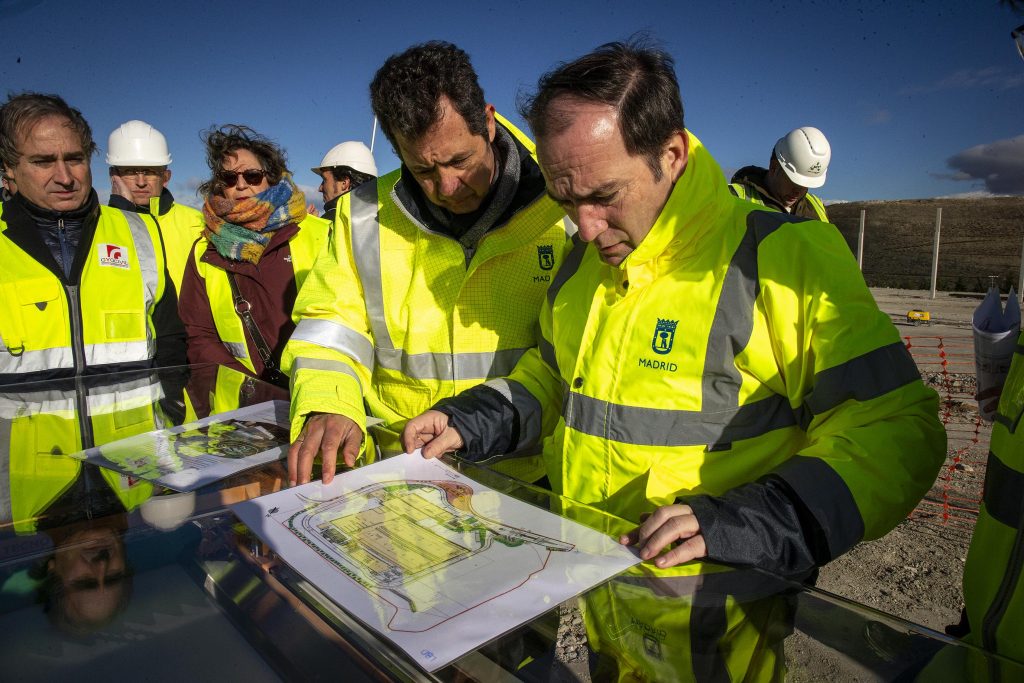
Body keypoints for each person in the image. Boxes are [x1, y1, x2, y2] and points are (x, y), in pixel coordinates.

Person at [402, 42, 946, 579]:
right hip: (603, 589)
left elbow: (897, 429)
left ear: (672, 155)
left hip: (718, 615)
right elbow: (550, 379)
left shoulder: (781, 259)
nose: (586, 227)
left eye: (605, 195)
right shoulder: (581, 265)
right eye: (566, 201)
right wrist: (471, 420)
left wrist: (752, 522)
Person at [283, 41, 574, 485]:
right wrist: (330, 403)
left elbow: (570, 359)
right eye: (423, 170)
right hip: (399, 472)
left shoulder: (566, 206)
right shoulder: (360, 215)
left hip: (527, 477)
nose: (449, 186)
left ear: (489, 123)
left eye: (460, 160)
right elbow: (329, 328)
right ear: (398, 152)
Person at [0, 92, 185, 385]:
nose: (64, 176)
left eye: (75, 159)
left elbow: (170, 341)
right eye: (43, 162)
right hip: (28, 430)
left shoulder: (139, 230)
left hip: (139, 428)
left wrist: (172, 407)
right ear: (9, 168)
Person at [178, 125, 329, 387]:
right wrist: (252, 393)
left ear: (270, 177)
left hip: (320, 395)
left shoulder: (321, 234)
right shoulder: (204, 250)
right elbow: (200, 336)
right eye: (228, 178)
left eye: (252, 175)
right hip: (244, 410)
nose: (240, 185)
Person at [106, 120, 204, 294]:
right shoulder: (99, 226)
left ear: (165, 177)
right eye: (130, 172)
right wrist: (122, 214)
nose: (141, 182)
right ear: (114, 176)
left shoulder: (197, 224)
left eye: (150, 171)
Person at [729, 126, 831, 221]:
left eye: (806, 184)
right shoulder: (734, 199)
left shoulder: (817, 207)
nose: (798, 191)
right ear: (774, 168)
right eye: (794, 181)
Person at [310, 141, 377, 222]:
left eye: (324, 180)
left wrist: (310, 225)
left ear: (344, 183)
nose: (320, 188)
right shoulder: (385, 218)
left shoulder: (329, 224)